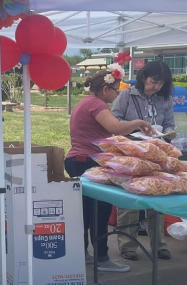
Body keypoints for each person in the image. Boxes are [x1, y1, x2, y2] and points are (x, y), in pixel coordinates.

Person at [65, 68, 155, 273]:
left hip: (78, 160)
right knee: (100, 211)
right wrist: (139, 123)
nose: (117, 95)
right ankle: (102, 257)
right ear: (105, 89)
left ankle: (83, 253)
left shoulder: (85, 102)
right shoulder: (97, 104)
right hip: (88, 161)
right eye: (115, 90)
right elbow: (115, 127)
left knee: (85, 213)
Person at [111, 60, 175, 261]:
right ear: (143, 77)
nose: (155, 87)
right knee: (129, 199)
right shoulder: (127, 95)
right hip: (130, 152)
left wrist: (168, 134)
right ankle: (127, 245)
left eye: (160, 83)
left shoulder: (164, 98)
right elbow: (114, 120)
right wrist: (135, 128)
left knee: (157, 197)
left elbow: (170, 123)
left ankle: (159, 245)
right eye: (153, 81)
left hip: (156, 154)